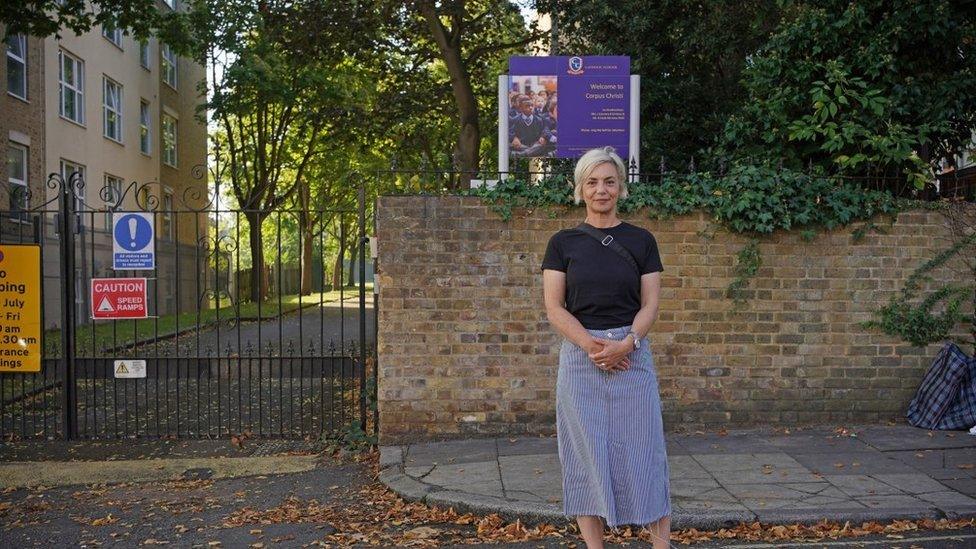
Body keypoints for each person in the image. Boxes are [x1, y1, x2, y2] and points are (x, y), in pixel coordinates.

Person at [541, 147, 670, 549]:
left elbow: (650, 305)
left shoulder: (642, 240)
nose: (601, 190)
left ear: (621, 188)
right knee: (584, 457)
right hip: (581, 360)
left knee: (646, 452)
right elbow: (553, 307)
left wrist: (627, 344)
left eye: (609, 181)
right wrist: (592, 346)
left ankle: (660, 544)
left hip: (632, 356)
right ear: (579, 189)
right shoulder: (562, 243)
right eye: (593, 182)